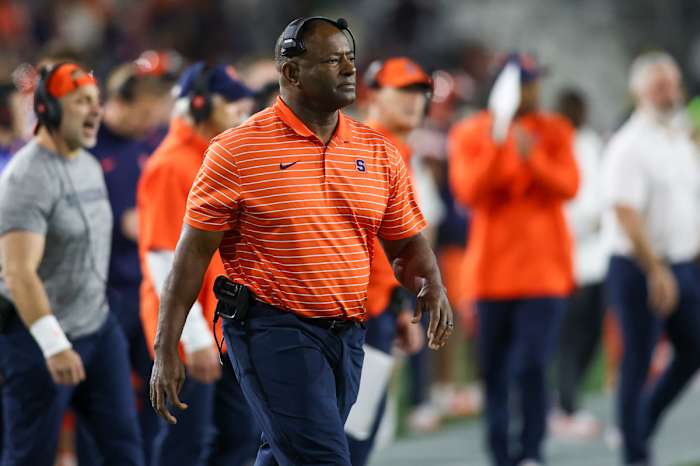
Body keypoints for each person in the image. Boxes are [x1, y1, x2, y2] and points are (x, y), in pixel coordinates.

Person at [149, 17, 453, 466]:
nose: (349, 70)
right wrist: (166, 347)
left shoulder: (377, 150)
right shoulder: (237, 150)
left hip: (348, 331)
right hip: (271, 328)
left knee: (284, 452)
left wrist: (430, 283)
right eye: (332, 61)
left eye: (350, 59)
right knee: (324, 456)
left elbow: (404, 239)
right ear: (291, 73)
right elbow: (190, 256)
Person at [0, 62, 144, 466]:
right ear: (47, 107)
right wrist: (53, 344)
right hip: (39, 340)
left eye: (97, 101)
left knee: (125, 451)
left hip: (98, 328)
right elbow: (17, 271)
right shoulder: (25, 178)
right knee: (29, 456)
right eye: (82, 101)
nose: (95, 111)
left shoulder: (88, 162)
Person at [449, 52, 578, 466]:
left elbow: (570, 184)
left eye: (535, 82)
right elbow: (469, 191)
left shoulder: (554, 130)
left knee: (531, 367)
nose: (535, 90)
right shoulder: (472, 132)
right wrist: (500, 143)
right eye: (526, 83)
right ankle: (500, 453)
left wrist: (531, 157)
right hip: (490, 276)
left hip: (544, 274)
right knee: (494, 372)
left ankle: (532, 451)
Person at [138, 62, 259, 466]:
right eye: (231, 103)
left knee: (241, 435)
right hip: (187, 332)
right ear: (202, 104)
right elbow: (160, 257)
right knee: (184, 446)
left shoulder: (214, 157)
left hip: (219, 323)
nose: (240, 112)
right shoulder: (171, 164)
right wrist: (192, 339)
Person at [602, 51, 700, 466]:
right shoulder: (630, 144)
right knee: (638, 360)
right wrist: (655, 269)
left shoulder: (677, 136)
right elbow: (626, 211)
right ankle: (634, 453)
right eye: (659, 85)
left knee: (694, 349)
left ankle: (640, 423)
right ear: (639, 91)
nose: (669, 93)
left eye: (672, 84)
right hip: (640, 266)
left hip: (680, 262)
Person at [80, 58, 173, 466]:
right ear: (120, 102)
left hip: (147, 289)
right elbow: (133, 223)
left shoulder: (151, 142)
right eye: (146, 112)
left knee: (160, 392)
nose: (152, 122)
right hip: (103, 295)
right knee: (102, 402)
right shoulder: (88, 144)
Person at [345, 56, 431, 466]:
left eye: (420, 93)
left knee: (359, 430)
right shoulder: (366, 148)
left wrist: (400, 305)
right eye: (404, 92)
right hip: (352, 313)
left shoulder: (395, 150)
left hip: (376, 306)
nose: (415, 102)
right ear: (372, 95)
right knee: (347, 435)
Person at [549, 88, 607, 441]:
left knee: (594, 334)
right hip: (567, 255)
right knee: (570, 337)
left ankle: (565, 398)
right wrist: (582, 222)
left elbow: (598, 190)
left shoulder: (590, 142)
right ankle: (566, 406)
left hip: (596, 256)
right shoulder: (555, 142)